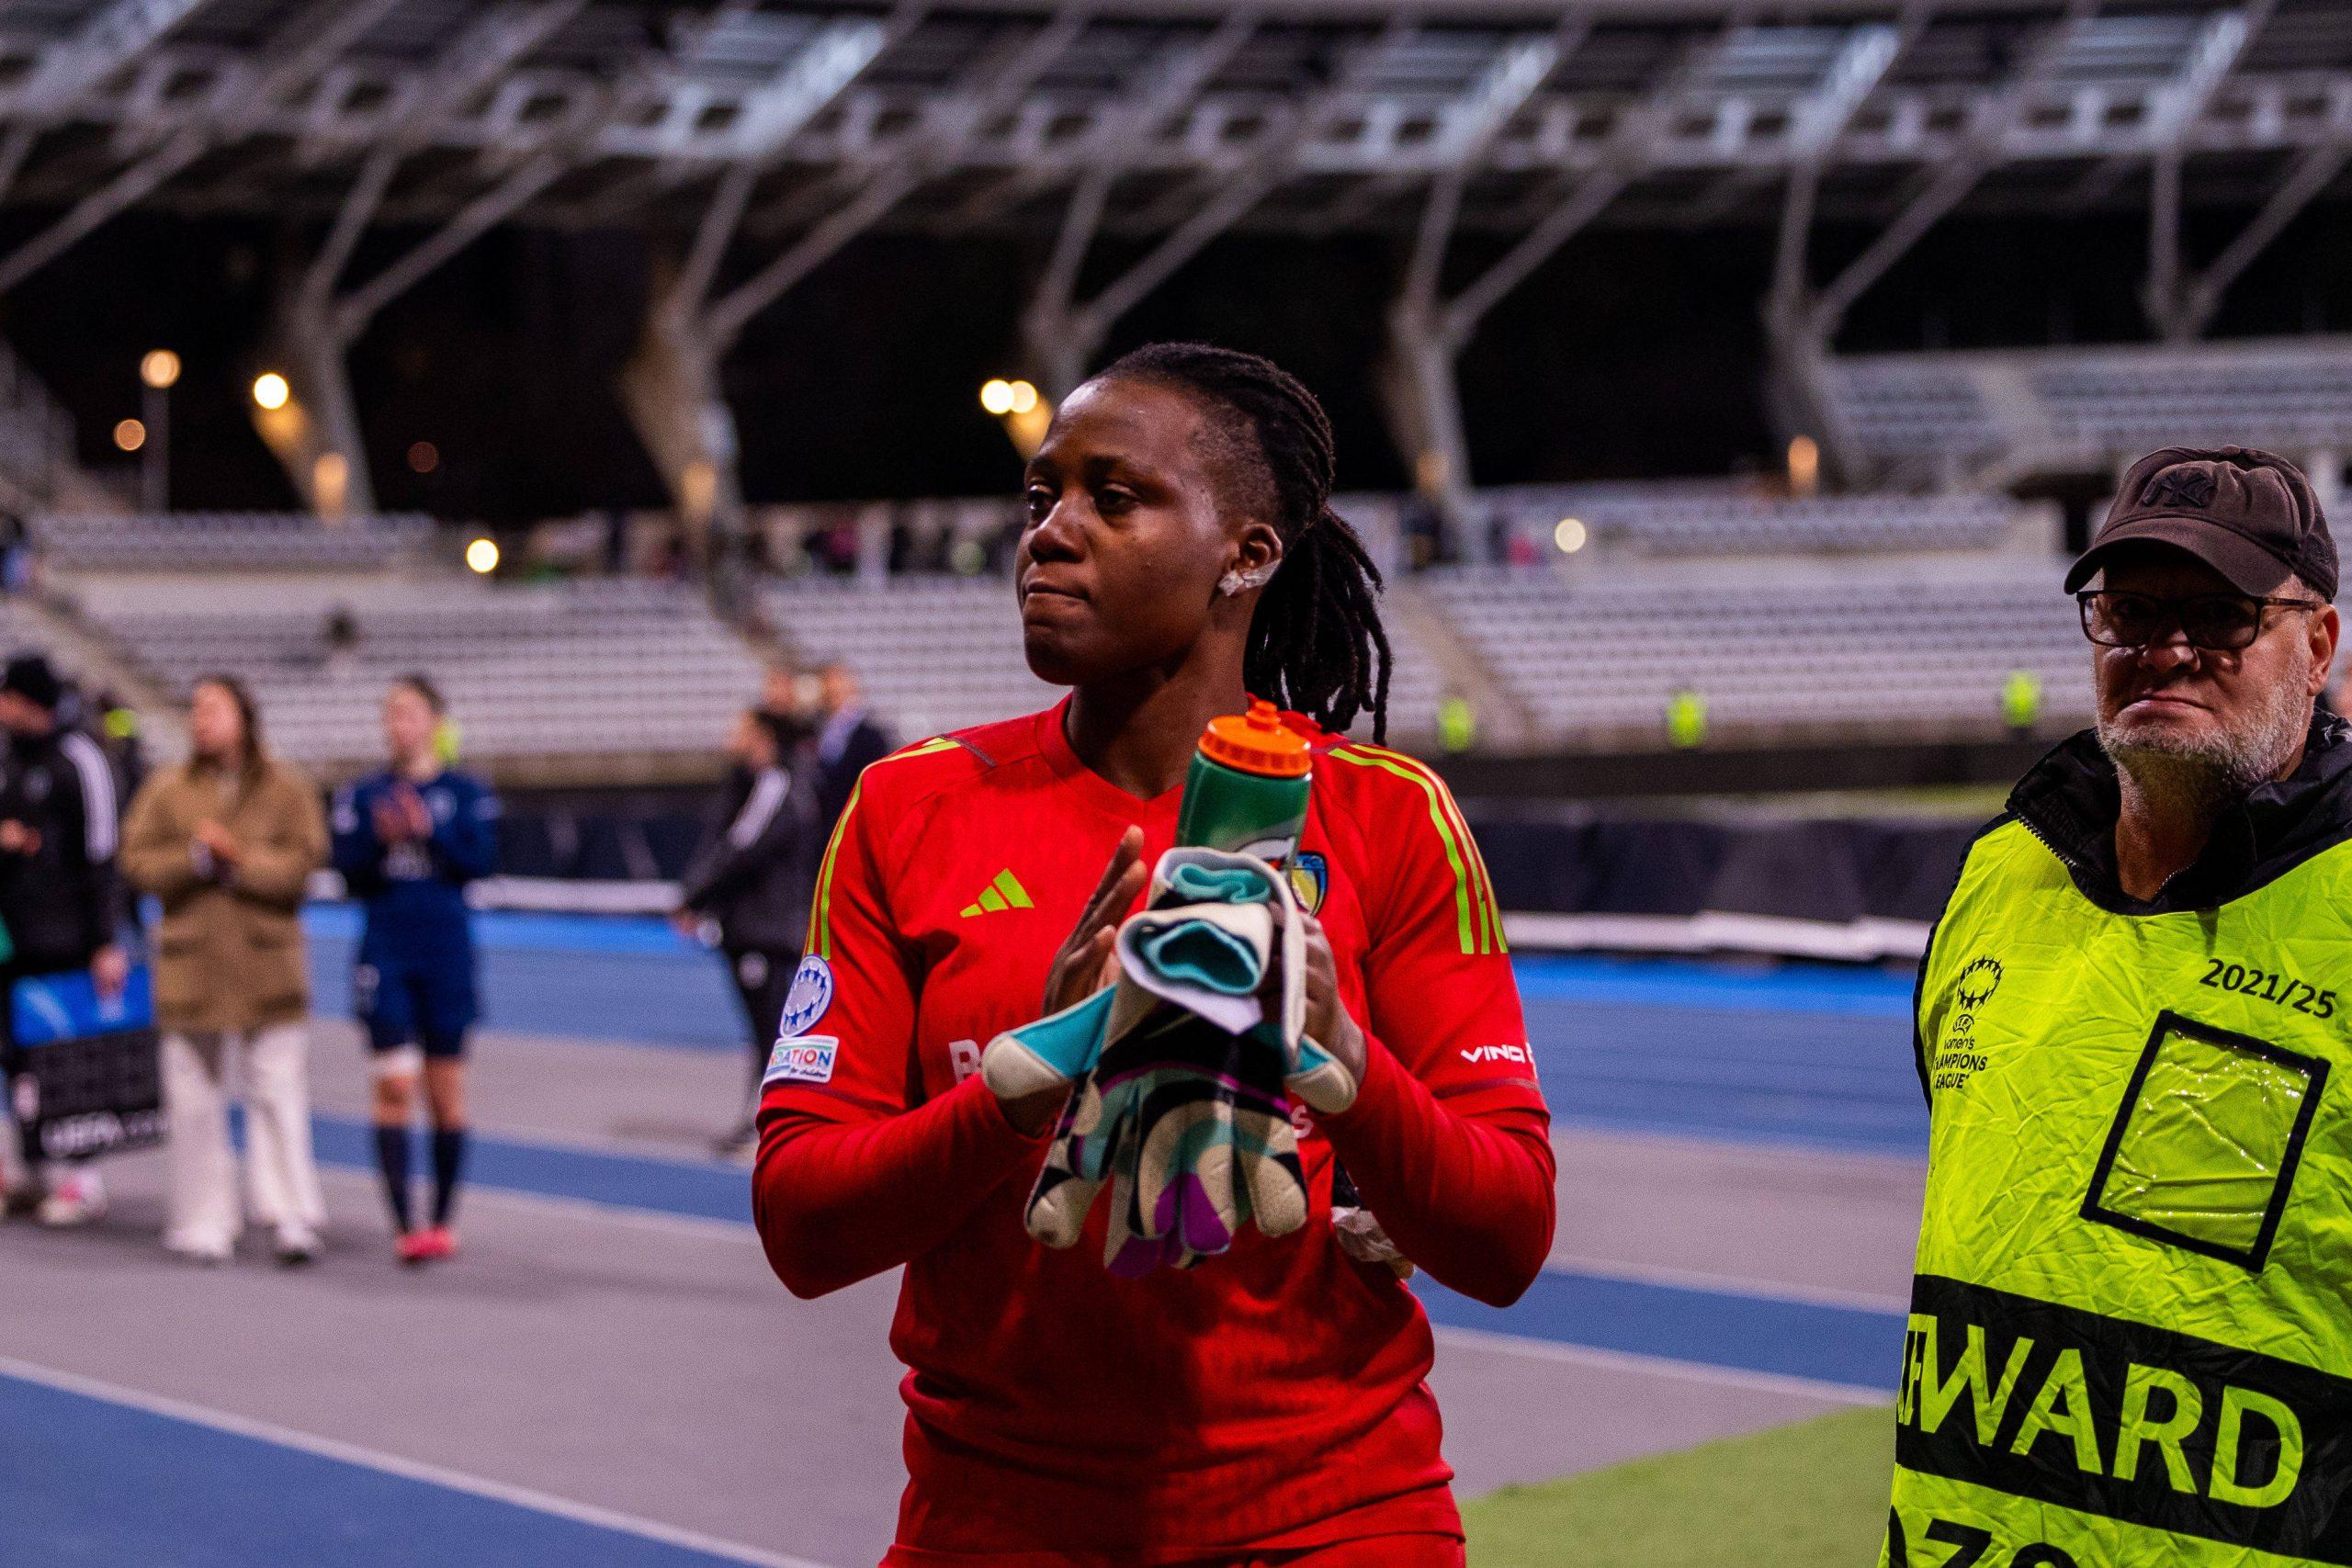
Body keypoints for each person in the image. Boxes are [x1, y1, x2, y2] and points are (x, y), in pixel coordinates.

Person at [752, 343, 1552, 1566]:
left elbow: (1509, 1234)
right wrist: (1028, 1078)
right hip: (997, 1520)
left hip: (1334, 1514)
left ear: (1248, 552)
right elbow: (802, 1224)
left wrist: (1341, 1056)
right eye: (1042, 499)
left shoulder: (1392, 818)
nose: (1050, 534)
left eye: (1113, 498)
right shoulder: (904, 810)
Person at [1888, 447, 2352, 1563]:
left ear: (2319, 643)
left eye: (2222, 616)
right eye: (2133, 611)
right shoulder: (1998, 877)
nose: (2170, 650)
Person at [120, 675, 329, 1265]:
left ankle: (291, 1212)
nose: (202, 720)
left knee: (279, 1092)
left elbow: (300, 869)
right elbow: (135, 861)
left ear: (245, 716)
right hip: (193, 966)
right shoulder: (166, 790)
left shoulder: (288, 790)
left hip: (268, 964)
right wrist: (194, 858)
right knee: (191, 1099)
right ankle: (202, 1217)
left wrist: (238, 862)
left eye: (215, 708)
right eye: (195, 709)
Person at [331, 675, 497, 1265]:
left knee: (446, 1092)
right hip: (386, 952)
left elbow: (481, 861)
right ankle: (405, 1224)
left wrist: (430, 832)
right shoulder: (362, 794)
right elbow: (346, 872)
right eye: (391, 714)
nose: (400, 725)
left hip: (446, 952)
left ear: (434, 721)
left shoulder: (465, 791)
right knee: (394, 1086)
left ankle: (442, 1220)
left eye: (411, 713)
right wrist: (379, 842)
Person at [0, 653, 128, 1226]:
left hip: (69, 937)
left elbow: (103, 855)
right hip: (12, 936)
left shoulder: (82, 759)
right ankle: (30, 1169)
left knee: (71, 1057)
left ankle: (83, 1176)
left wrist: (107, 938)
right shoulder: (5, 758)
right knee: (17, 1058)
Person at [675, 706, 820, 1156]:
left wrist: (695, 896)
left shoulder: (776, 784)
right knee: (768, 1029)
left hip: (768, 930)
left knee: (774, 1030)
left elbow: (743, 848)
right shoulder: (754, 784)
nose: (730, 736)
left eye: (740, 729)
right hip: (760, 926)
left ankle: (775, 1125)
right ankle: (771, 1121)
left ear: (762, 736)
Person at [809, 661, 890, 834]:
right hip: (825, 827)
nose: (831, 689)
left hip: (854, 825)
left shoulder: (871, 737)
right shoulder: (816, 729)